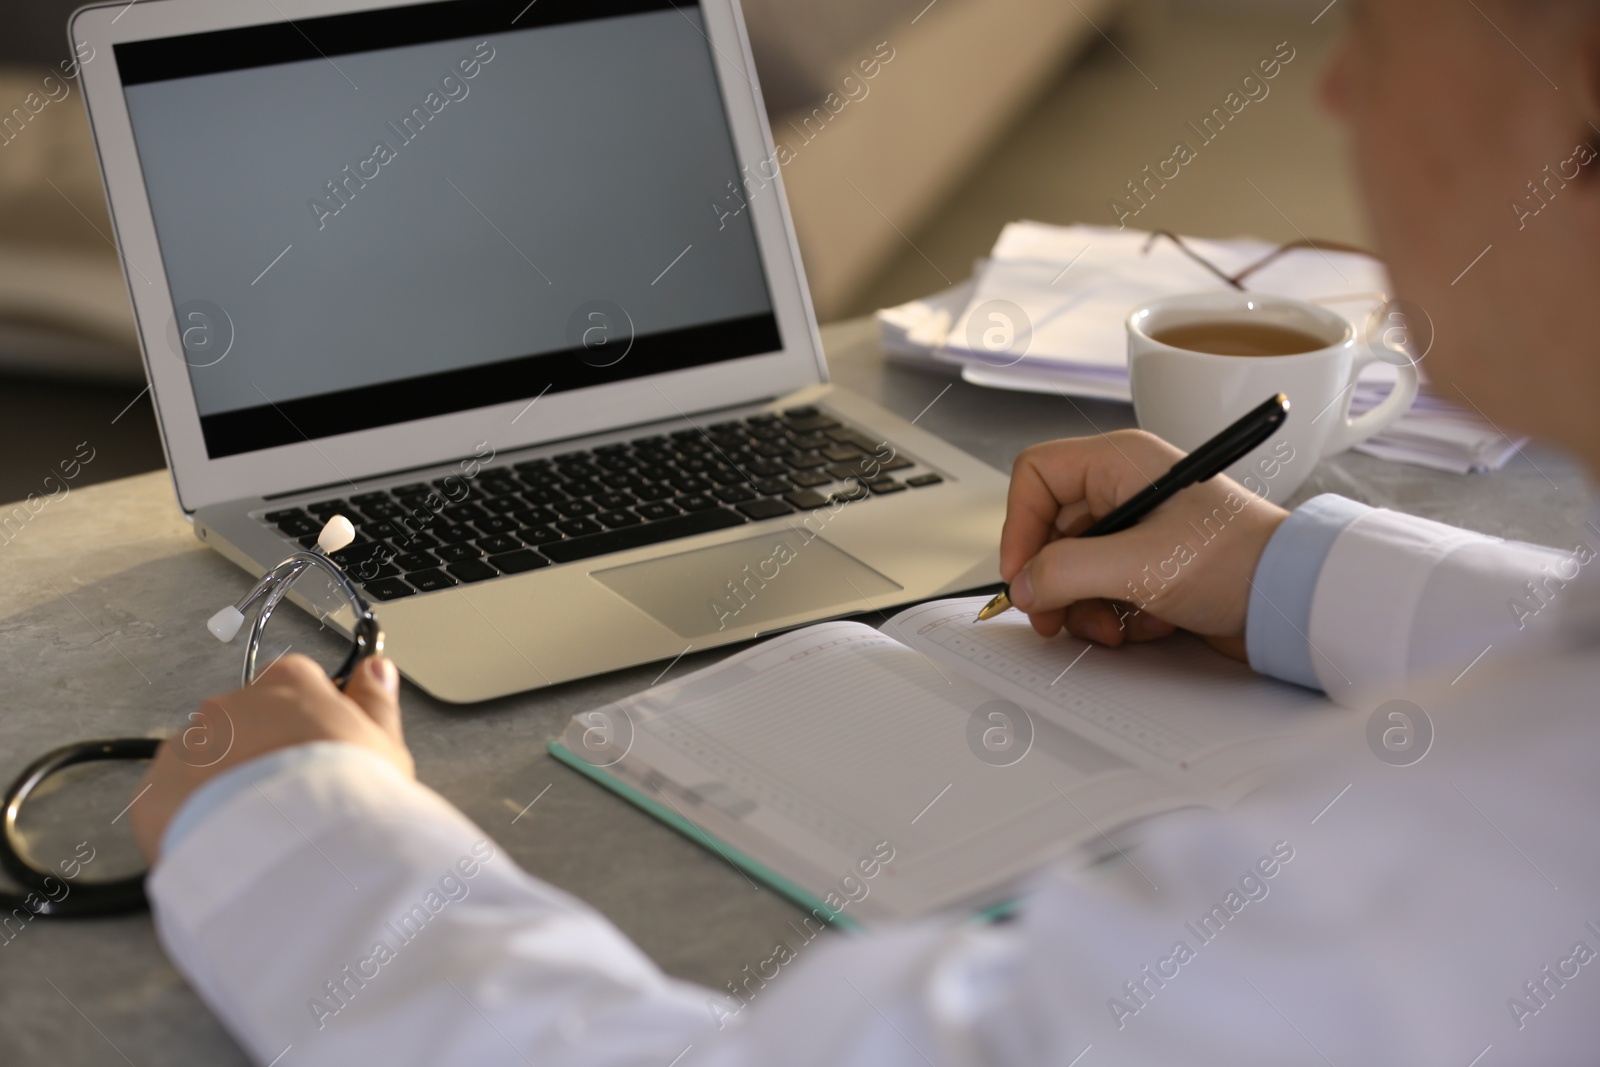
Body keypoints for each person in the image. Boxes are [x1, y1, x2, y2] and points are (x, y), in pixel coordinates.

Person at [130, 0, 1600, 1062]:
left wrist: (300, 834)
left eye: (1378, 30)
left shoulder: (1504, 854)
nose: (1337, 102)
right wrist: (1292, 568)